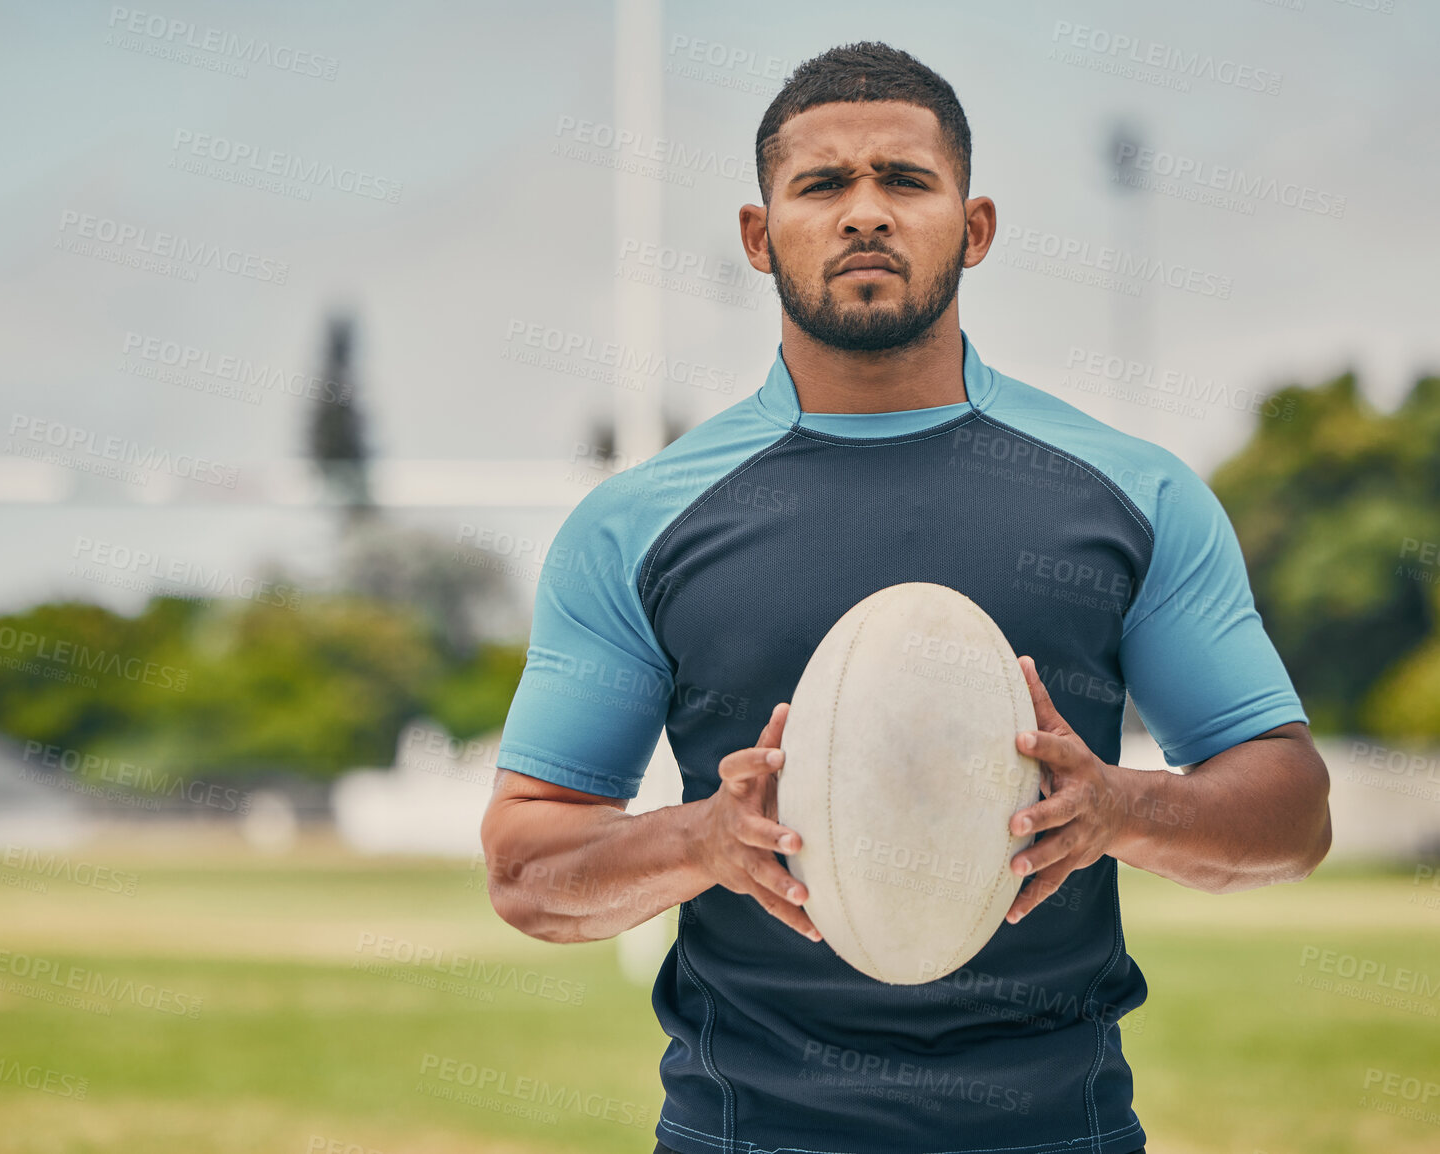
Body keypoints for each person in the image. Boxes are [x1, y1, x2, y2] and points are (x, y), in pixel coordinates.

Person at [480, 40, 1330, 1154]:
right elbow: (526, 868)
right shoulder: (636, 524)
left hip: (1055, 1133)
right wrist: (704, 839)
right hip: (747, 1134)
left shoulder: (1131, 493)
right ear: (757, 233)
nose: (863, 213)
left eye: (904, 181)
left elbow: (1291, 811)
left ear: (972, 227)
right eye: (822, 184)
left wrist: (1119, 808)